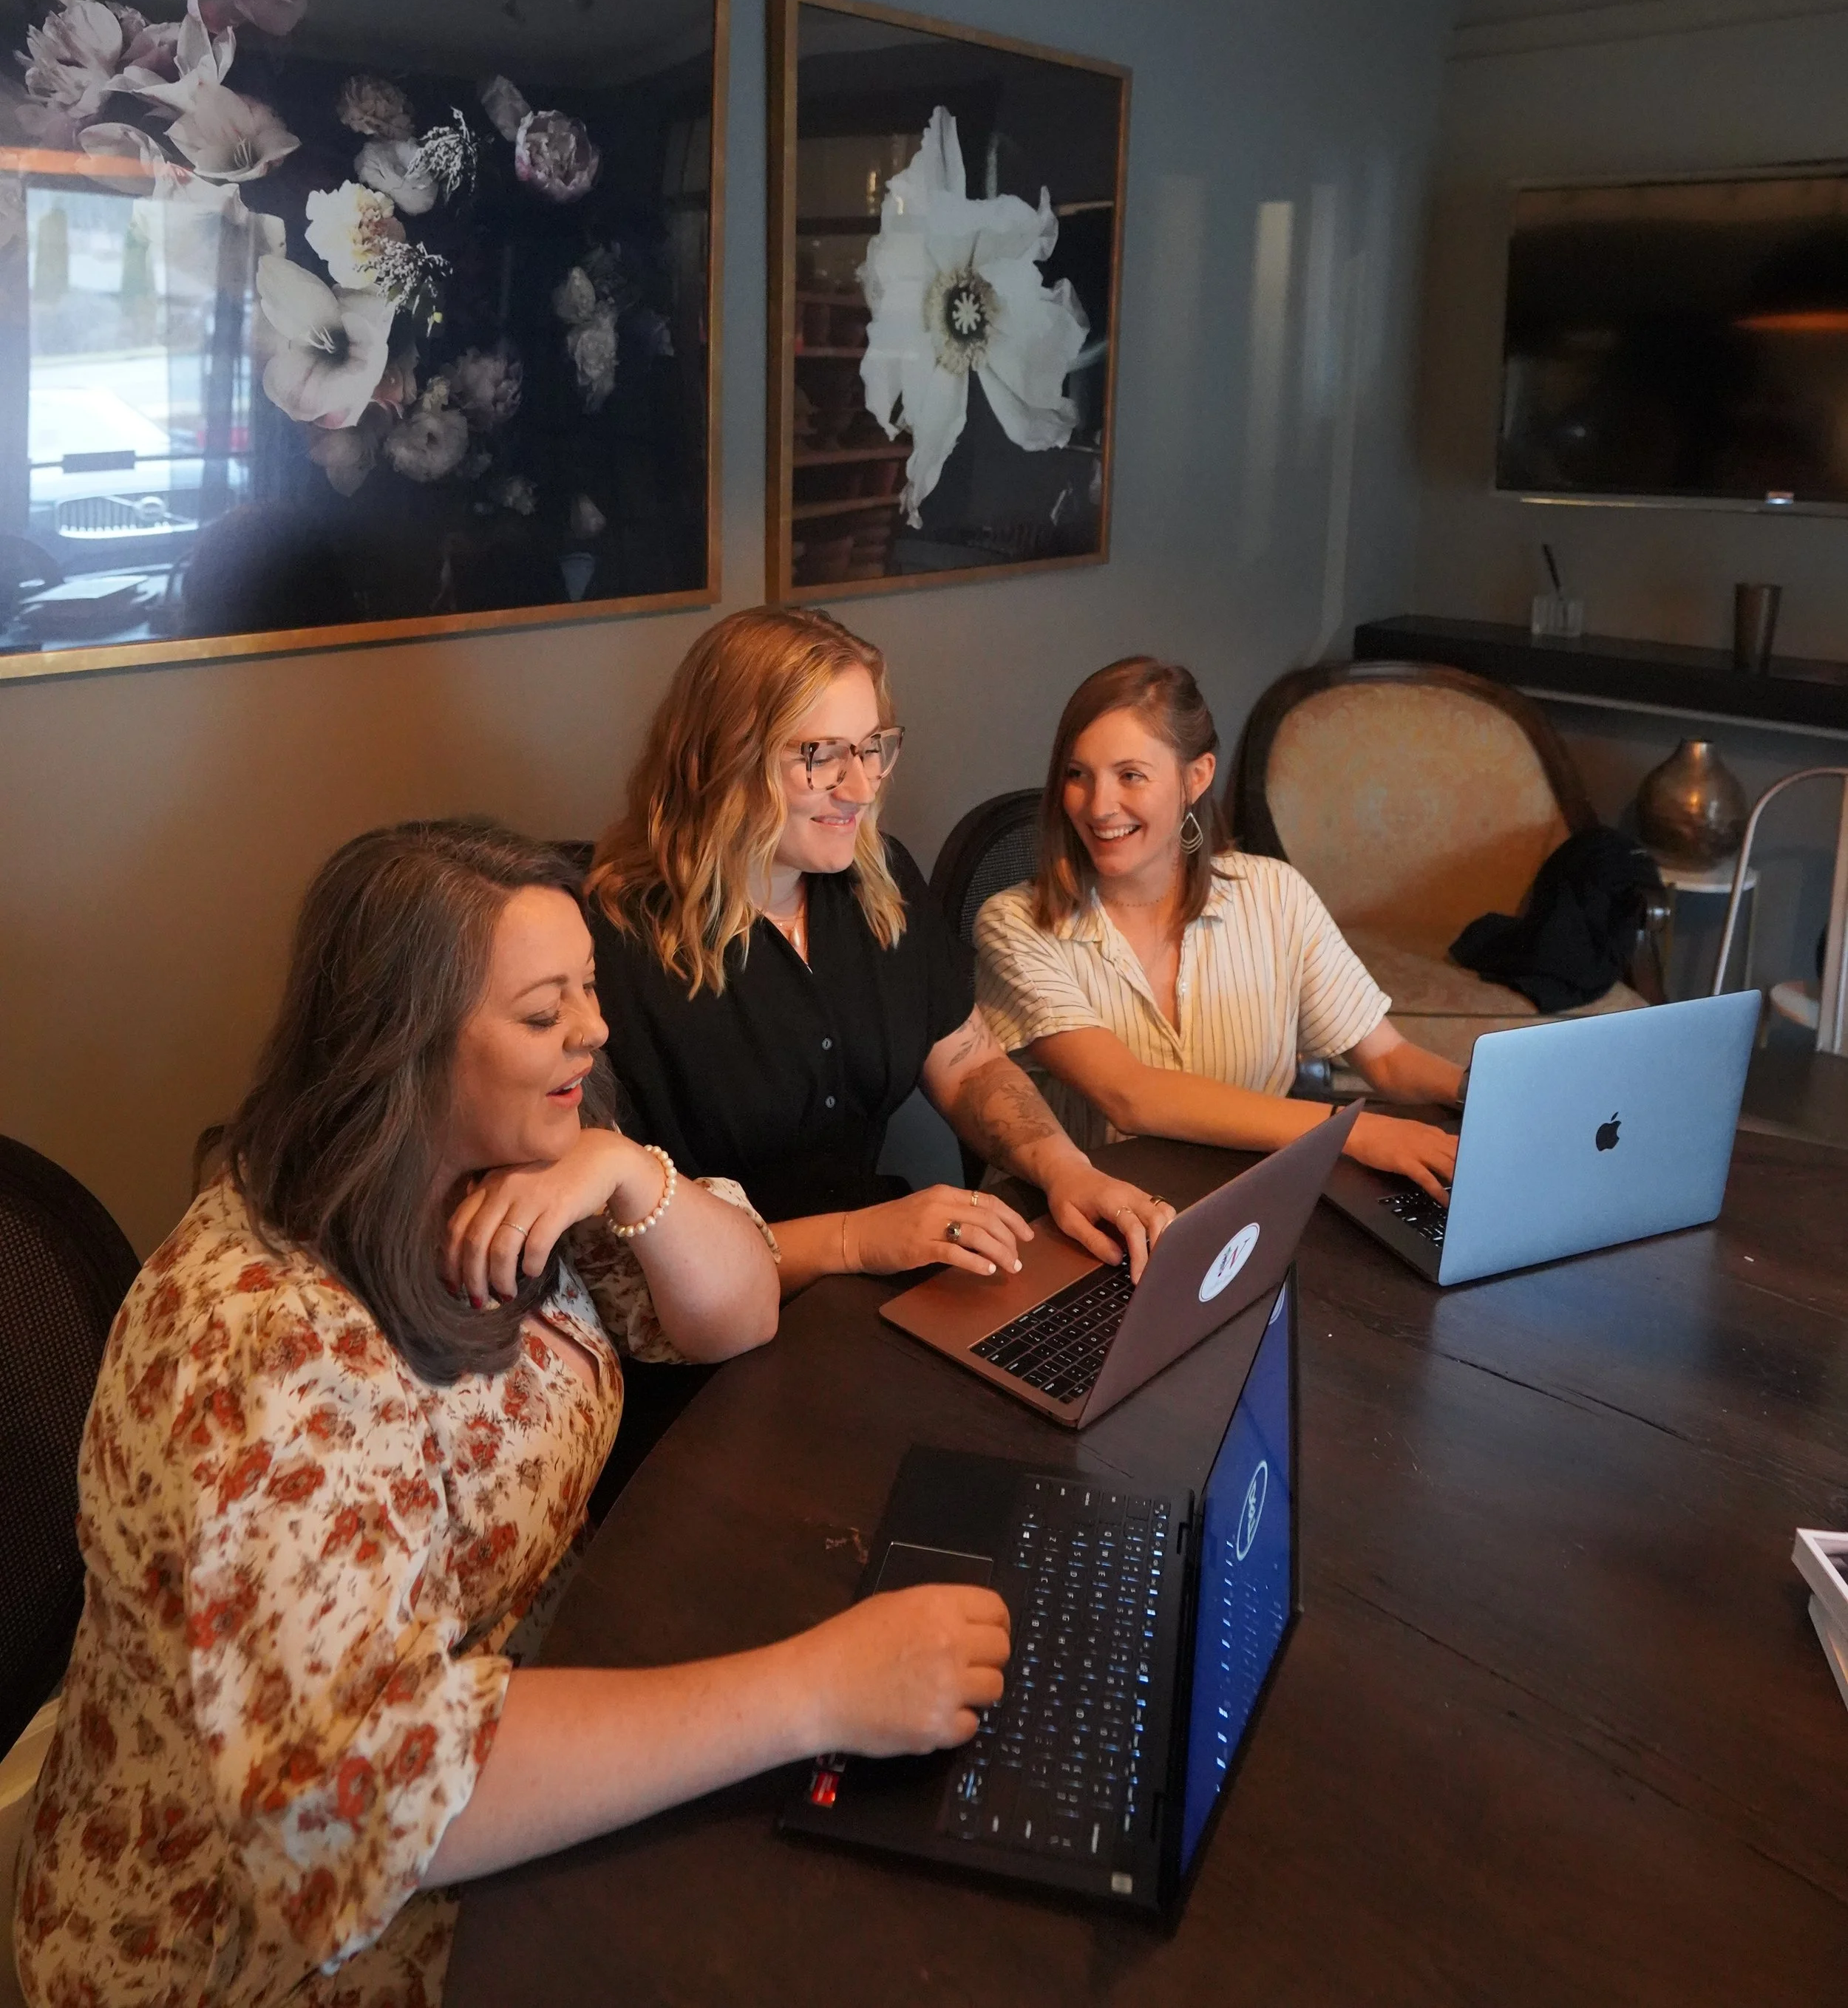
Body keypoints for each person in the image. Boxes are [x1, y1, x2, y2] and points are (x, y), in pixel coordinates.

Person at [15, 821, 1009, 2008]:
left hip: (513, 1725)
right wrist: (813, 1689)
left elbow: (733, 1310)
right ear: (405, 1048)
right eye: (546, 1013)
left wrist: (624, 1170)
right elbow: (359, 1805)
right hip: (253, 1933)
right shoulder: (264, 1342)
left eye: (587, 988)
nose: (593, 1027)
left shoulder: (503, 1166)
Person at [586, 607, 1176, 1296]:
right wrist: (857, 1239)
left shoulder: (878, 881)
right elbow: (618, 1255)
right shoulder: (610, 947)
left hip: (875, 1274)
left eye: (871, 748)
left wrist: (1067, 1171)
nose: (861, 788)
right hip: (716, 1327)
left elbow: (968, 1066)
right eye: (819, 755)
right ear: (720, 759)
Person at [975, 658, 1464, 1198]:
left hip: (1240, 1213)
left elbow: (1389, 1059)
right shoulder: (1016, 925)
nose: (1099, 806)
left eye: (1130, 775)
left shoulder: (1276, 895)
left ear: (1196, 777)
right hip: (1082, 1228)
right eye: (1077, 775)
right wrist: (1355, 1131)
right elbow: (1130, 1096)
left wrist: (1487, 1095)